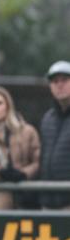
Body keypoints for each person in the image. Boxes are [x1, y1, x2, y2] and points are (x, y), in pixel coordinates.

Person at [39, 60, 70, 210]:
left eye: (64, 80)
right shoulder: (48, 118)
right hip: (49, 203)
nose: (59, 85)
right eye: (55, 81)